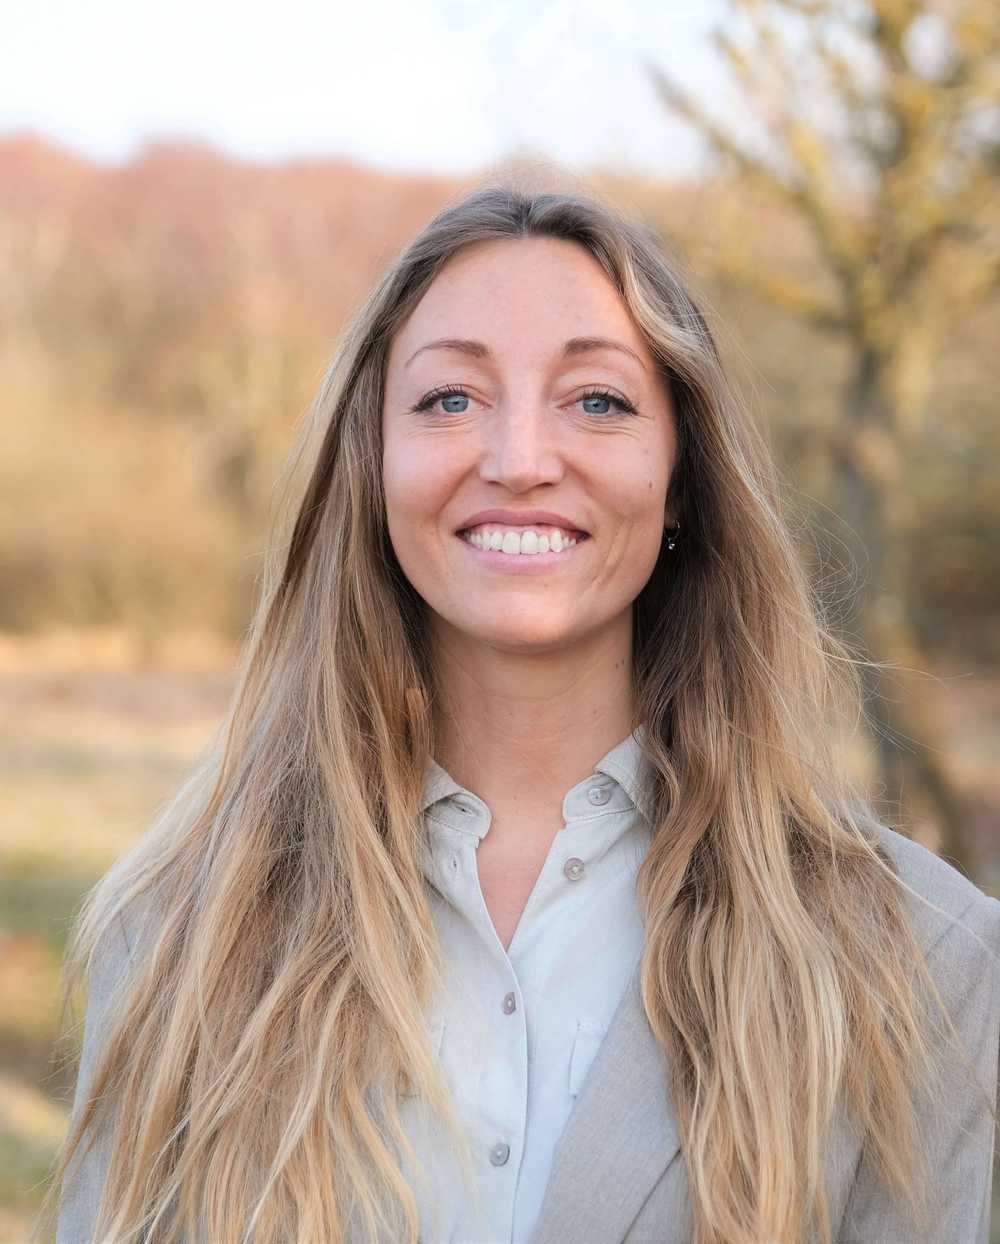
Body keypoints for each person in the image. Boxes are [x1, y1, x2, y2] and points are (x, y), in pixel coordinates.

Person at [43, 183, 999, 1244]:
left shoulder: (922, 957)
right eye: (451, 398)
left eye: (597, 400)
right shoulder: (181, 931)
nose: (520, 459)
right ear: (372, 463)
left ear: (680, 475)